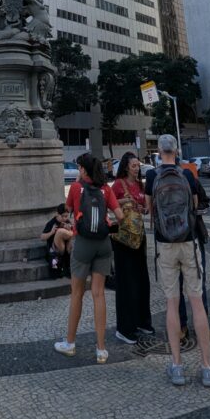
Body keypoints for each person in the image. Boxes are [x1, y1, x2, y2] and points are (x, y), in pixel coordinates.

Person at [145, 134, 210, 388]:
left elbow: (149, 209)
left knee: (172, 304)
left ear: (159, 153)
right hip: (188, 241)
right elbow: (195, 206)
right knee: (196, 302)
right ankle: (207, 366)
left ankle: (177, 365)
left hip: (165, 244)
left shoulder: (152, 177)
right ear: (176, 151)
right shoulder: (186, 175)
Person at [54, 153, 123, 363]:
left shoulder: (76, 188)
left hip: (83, 243)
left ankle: (70, 343)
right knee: (99, 294)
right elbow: (119, 216)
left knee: (77, 293)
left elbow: (67, 209)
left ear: (83, 170)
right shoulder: (106, 189)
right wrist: (106, 223)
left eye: (79, 168)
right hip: (103, 244)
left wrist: (78, 186)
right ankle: (101, 349)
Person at [111, 151, 153, 344]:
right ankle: (124, 327)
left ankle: (142, 321)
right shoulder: (119, 184)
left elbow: (144, 206)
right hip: (123, 239)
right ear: (126, 167)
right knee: (126, 282)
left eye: (139, 165)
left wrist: (144, 208)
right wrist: (125, 202)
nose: (137, 168)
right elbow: (109, 203)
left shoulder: (139, 184)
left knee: (142, 279)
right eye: (134, 165)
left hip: (139, 236)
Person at [178, 167, 210, 344]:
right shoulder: (161, 179)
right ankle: (182, 325)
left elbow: (205, 202)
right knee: (180, 283)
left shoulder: (191, 179)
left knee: (197, 281)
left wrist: (193, 211)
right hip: (175, 238)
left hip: (191, 235)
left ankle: (200, 323)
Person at [41, 203, 73, 277]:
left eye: (66, 216)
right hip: (55, 248)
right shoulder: (51, 223)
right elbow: (42, 237)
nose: (65, 218)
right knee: (60, 232)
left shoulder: (67, 222)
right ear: (57, 214)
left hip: (65, 248)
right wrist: (51, 232)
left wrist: (69, 228)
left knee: (69, 234)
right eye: (63, 216)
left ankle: (67, 266)